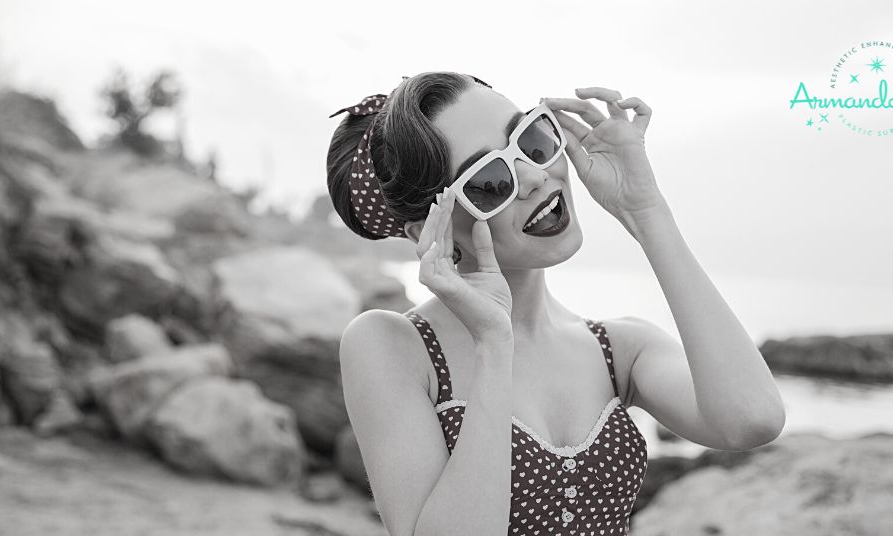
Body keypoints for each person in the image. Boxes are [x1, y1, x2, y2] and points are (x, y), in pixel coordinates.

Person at [327, 72, 785, 536]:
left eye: (532, 139)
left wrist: (644, 212)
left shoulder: (617, 350)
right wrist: (493, 346)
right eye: (488, 180)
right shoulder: (391, 346)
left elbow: (752, 421)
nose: (533, 176)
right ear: (431, 232)